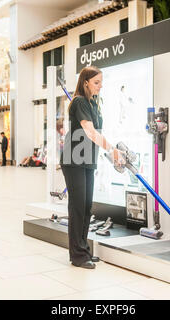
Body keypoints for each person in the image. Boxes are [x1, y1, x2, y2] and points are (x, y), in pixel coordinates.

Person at [60, 66, 125, 269]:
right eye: (96, 82)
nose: (100, 86)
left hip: (87, 159)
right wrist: (112, 150)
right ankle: (77, 256)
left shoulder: (93, 103)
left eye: (101, 82)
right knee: (77, 207)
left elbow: (96, 133)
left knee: (87, 206)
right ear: (85, 82)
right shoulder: (79, 101)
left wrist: (108, 150)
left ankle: (83, 250)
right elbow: (89, 132)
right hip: (74, 159)